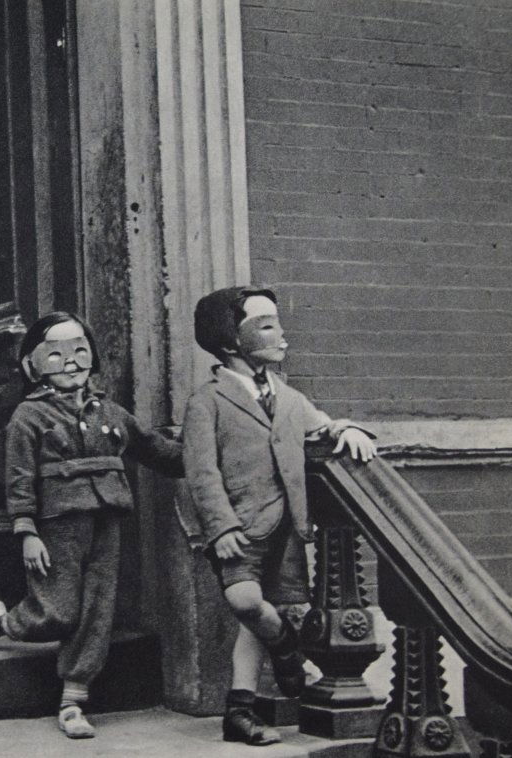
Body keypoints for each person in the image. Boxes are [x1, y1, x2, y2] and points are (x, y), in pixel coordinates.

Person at [0, 312, 184, 739]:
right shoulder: (29, 416)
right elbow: (18, 478)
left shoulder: (110, 412)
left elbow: (155, 449)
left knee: (97, 610)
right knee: (58, 612)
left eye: (80, 351)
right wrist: (27, 532)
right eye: (56, 354)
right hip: (56, 526)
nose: (71, 363)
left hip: (106, 521)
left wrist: (206, 449)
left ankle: (73, 701)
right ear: (34, 365)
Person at [182, 286, 376, 746]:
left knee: (256, 619)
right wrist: (220, 527)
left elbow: (320, 424)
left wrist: (345, 428)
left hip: (286, 527)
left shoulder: (287, 397)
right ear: (232, 341)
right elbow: (201, 472)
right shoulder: (206, 401)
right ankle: (286, 647)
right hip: (238, 527)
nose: (282, 333)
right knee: (246, 602)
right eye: (266, 325)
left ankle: (239, 711)